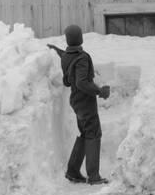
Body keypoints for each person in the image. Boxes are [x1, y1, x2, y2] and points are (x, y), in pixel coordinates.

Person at [47, 25, 110, 185]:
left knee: (85, 133)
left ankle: (73, 171)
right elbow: (81, 82)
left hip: (76, 102)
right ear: (80, 38)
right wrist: (99, 91)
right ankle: (93, 176)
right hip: (85, 101)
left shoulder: (68, 56)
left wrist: (56, 50)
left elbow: (66, 56)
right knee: (94, 133)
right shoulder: (81, 58)